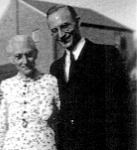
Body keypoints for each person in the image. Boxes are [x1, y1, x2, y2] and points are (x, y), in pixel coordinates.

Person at [46, 5, 131, 150]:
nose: (61, 35)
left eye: (65, 26)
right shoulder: (55, 68)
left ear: (78, 22)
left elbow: (121, 111)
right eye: (54, 31)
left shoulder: (107, 55)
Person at [0, 35, 60, 150]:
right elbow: (1, 125)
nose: (25, 61)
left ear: (36, 53)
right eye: (18, 56)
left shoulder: (51, 82)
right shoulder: (6, 85)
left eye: (29, 55)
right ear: (11, 59)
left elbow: (66, 116)